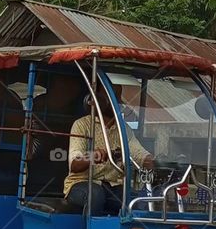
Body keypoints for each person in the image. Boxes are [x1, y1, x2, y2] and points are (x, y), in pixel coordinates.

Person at [63, 83, 154, 215]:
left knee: (138, 201)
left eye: (117, 97)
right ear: (97, 99)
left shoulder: (124, 129)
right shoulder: (82, 124)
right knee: (95, 195)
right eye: (111, 97)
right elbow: (75, 164)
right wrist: (93, 156)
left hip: (113, 186)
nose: (116, 102)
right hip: (80, 184)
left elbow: (138, 153)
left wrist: (150, 160)